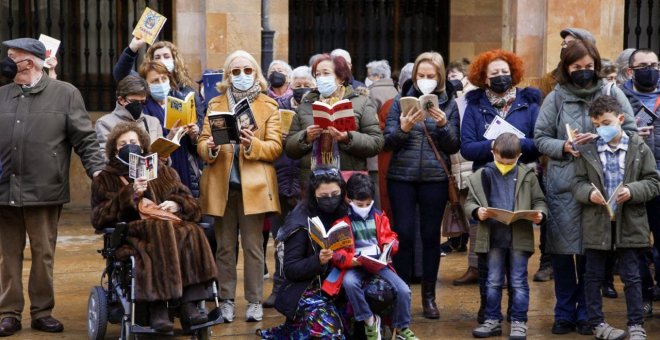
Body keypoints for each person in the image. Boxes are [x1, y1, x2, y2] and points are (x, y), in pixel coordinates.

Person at [0, 38, 105, 336]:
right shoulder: (2, 95)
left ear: (30, 62)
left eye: (12, 57)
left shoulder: (66, 94)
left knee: (43, 255)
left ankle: (42, 312)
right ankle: (8, 313)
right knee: (7, 256)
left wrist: (98, 172)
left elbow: (85, 138)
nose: (7, 62)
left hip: (44, 190)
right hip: (4, 190)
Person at [534, 38, 636, 336]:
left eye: (588, 66)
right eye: (576, 67)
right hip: (564, 183)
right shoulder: (555, 97)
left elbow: (628, 130)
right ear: (566, 68)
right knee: (564, 253)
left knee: (593, 253)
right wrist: (564, 145)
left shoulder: (610, 91)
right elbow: (540, 137)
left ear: (596, 65)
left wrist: (604, 138)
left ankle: (588, 314)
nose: (583, 71)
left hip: (601, 183)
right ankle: (564, 312)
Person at [90, 122, 218, 332]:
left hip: (169, 225)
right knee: (159, 231)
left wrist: (177, 203)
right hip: (132, 233)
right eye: (123, 144)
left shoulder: (164, 171)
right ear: (115, 149)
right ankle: (158, 308)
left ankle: (190, 305)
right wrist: (129, 194)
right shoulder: (105, 178)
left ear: (142, 145)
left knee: (193, 231)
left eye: (133, 142)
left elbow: (193, 205)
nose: (129, 146)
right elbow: (99, 217)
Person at [197, 50, 282, 323]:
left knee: (254, 248)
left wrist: (251, 144)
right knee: (224, 248)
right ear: (227, 76)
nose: (242, 76)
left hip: (253, 188)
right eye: (235, 71)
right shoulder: (215, 104)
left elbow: (275, 147)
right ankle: (226, 302)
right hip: (223, 187)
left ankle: (255, 301)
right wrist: (208, 148)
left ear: (256, 73)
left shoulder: (269, 105)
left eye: (247, 70)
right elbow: (201, 141)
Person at [458, 50, 543, 310]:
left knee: (517, 247)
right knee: (487, 251)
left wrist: (514, 144)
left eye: (505, 72)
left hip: (521, 179)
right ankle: (488, 311)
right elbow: (467, 147)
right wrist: (494, 145)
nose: (501, 77)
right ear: (484, 78)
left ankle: (517, 314)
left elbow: (538, 142)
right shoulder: (474, 106)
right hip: (487, 180)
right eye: (494, 73)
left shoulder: (529, 104)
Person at [572, 96, 660, 340]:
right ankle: (597, 322)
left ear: (621, 119)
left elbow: (653, 181)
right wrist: (589, 194)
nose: (602, 128)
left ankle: (635, 324)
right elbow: (577, 183)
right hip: (597, 222)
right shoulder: (588, 150)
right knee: (593, 275)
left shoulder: (639, 148)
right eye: (596, 124)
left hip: (629, 221)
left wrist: (632, 191)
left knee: (632, 276)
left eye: (606, 122)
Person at [384, 51, 461, 319]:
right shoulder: (399, 101)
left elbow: (454, 145)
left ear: (439, 77)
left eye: (431, 76)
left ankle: (429, 297)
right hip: (401, 177)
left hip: (434, 178)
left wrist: (442, 125)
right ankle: (401, 293)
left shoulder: (449, 103)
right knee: (403, 234)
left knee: (430, 236)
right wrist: (403, 128)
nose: (425, 79)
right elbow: (388, 142)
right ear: (414, 76)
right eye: (421, 75)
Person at [465, 133, 547, 339]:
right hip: (492, 237)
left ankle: (519, 321)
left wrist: (540, 214)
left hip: (518, 238)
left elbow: (540, 201)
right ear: (493, 153)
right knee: (492, 281)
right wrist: (477, 211)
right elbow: (469, 202)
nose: (504, 164)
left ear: (519, 156)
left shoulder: (528, 176)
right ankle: (492, 320)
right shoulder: (482, 175)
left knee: (518, 281)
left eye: (510, 162)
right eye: (501, 160)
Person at [258, 167, 348, 339]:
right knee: (329, 331)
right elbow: (290, 268)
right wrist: (317, 261)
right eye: (324, 196)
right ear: (314, 195)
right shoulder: (299, 220)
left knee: (379, 294)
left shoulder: (347, 209)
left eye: (335, 194)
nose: (330, 200)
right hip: (307, 287)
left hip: (343, 283)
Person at [333, 173, 418, 340]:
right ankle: (369, 321)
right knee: (350, 283)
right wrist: (352, 260)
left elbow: (391, 236)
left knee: (404, 290)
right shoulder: (342, 223)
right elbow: (338, 253)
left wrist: (389, 245)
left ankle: (401, 328)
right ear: (348, 199)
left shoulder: (379, 216)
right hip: (356, 264)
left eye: (368, 203)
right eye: (360, 204)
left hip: (378, 262)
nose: (364, 207)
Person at [286, 53, 384, 180]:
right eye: (318, 75)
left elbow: (376, 143)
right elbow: (289, 148)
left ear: (341, 77)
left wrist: (348, 138)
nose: (321, 78)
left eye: (326, 73)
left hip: (349, 177)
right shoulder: (306, 105)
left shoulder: (361, 102)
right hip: (313, 179)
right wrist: (306, 137)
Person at [620, 48, 660, 314]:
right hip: (634, 181)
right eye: (644, 65)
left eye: (655, 64)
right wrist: (630, 134)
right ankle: (644, 295)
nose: (651, 69)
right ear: (630, 71)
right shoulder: (619, 98)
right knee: (637, 244)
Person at [138, 61, 204, 198]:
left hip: (186, 170)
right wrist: (171, 136)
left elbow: (196, 149)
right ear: (146, 85)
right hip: (160, 175)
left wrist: (194, 135)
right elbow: (147, 150)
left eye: (164, 78)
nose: (161, 83)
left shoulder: (178, 101)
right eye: (155, 81)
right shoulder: (143, 111)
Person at [95, 75, 163, 161]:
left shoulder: (153, 122)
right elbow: (105, 157)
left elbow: (163, 158)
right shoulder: (104, 123)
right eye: (134, 102)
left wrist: (165, 158)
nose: (139, 105)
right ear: (121, 100)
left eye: (143, 102)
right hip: (120, 173)